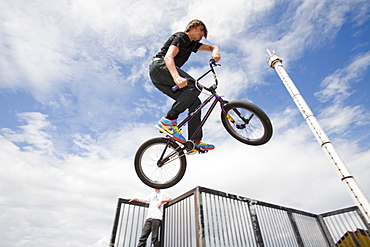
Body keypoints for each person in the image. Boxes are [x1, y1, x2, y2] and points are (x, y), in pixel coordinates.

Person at [149, 19, 221, 152]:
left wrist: (215, 50)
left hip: (159, 76)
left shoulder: (191, 45)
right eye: (201, 30)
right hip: (160, 67)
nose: (202, 35)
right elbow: (168, 57)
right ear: (193, 28)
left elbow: (211, 47)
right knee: (193, 86)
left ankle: (194, 142)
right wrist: (176, 77)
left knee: (195, 102)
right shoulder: (182, 37)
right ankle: (168, 121)